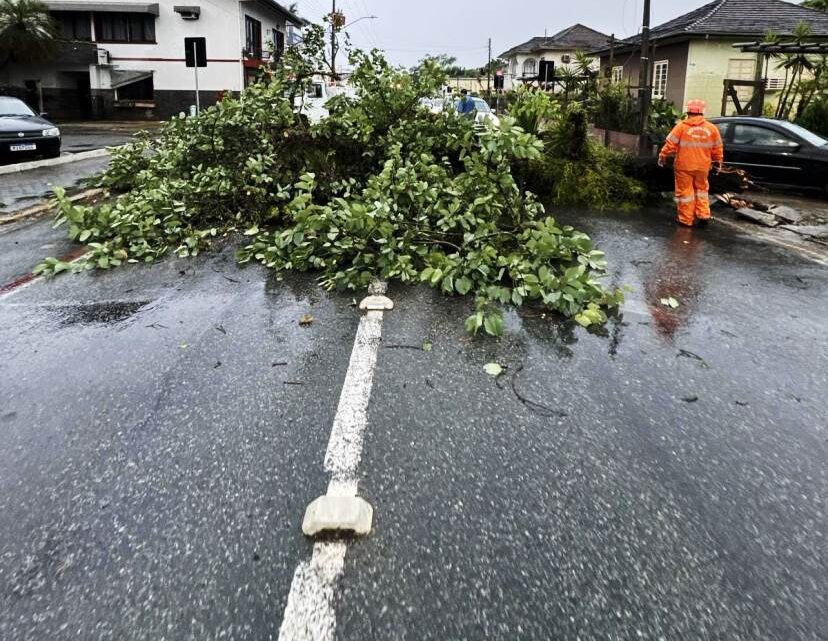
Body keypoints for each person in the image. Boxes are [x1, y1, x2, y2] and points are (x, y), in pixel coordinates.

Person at [658, 99, 724, 227]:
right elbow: (718, 149)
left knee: (686, 193)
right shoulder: (712, 129)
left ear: (688, 111)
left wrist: (662, 156)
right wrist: (717, 162)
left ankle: (686, 219)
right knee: (702, 190)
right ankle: (703, 215)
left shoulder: (681, 127)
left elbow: (670, 144)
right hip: (703, 167)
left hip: (684, 166)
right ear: (702, 112)